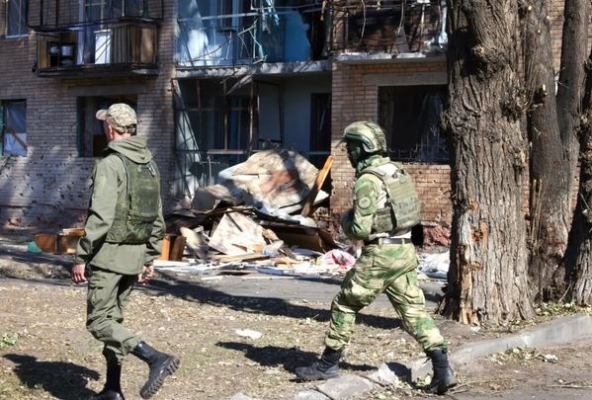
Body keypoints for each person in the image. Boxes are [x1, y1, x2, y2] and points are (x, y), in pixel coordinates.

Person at [295, 121, 456, 395]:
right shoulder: (395, 170)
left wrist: (346, 219)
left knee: (345, 304)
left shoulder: (368, 179)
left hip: (380, 254)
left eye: (351, 147)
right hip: (404, 251)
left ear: (363, 148)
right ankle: (442, 368)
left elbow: (359, 229)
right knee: (413, 311)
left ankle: (327, 364)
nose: (349, 153)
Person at [71, 103, 180, 400]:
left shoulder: (111, 163)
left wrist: (81, 255)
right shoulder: (149, 163)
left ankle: (154, 357)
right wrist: (149, 257)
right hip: (133, 258)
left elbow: (101, 217)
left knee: (99, 322)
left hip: (108, 257)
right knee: (114, 322)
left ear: (109, 128)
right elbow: (158, 217)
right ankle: (112, 390)